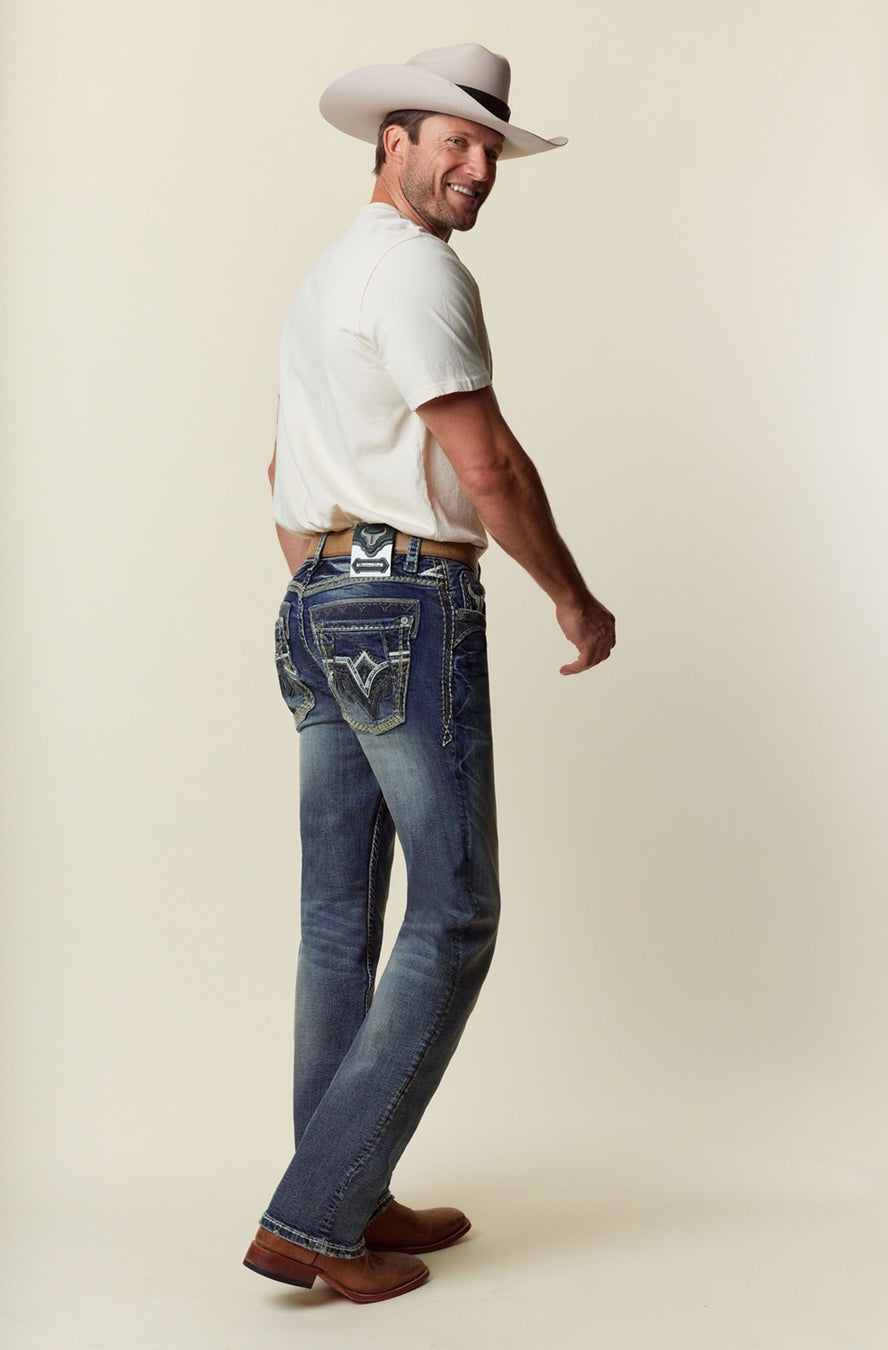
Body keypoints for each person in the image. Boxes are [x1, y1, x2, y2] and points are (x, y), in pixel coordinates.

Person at [243, 43, 616, 1305]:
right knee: (455, 912)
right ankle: (316, 1216)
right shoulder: (416, 270)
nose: (477, 167)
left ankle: (339, 1187)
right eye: (454, 141)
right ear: (390, 143)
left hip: (319, 599)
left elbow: (281, 473)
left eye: (489, 148)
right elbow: (488, 462)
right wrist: (572, 595)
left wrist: (329, 585)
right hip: (403, 600)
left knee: (339, 922)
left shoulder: (326, 276)